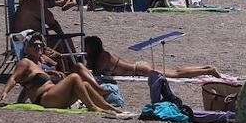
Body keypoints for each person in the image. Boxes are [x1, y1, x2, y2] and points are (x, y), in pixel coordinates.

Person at [0, 37, 118, 112]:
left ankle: (109, 107)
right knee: (75, 77)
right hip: (45, 98)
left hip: (54, 96)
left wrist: (19, 102)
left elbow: (28, 87)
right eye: (34, 44)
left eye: (41, 44)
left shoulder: (39, 63)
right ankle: (92, 107)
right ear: (27, 48)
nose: (38, 46)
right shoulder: (25, 62)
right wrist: (5, 92)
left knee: (85, 84)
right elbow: (14, 78)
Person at [84, 35, 218, 79]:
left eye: (87, 48)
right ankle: (206, 68)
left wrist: (87, 61)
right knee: (175, 70)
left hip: (141, 69)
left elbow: (96, 73)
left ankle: (208, 70)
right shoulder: (104, 54)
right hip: (139, 66)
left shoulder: (103, 57)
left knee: (175, 74)